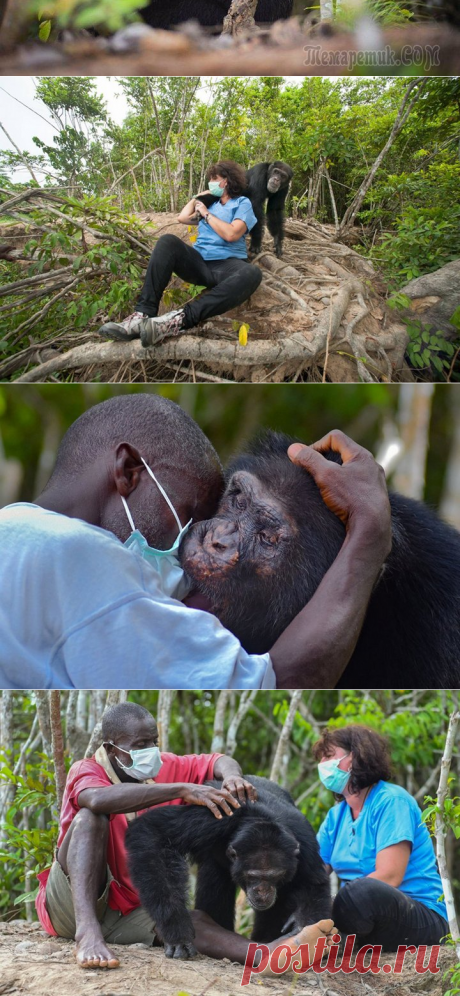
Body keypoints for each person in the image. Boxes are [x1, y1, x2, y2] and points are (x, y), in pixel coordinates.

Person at [0, 393, 392, 690]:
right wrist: (370, 532)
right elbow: (276, 683)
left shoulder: (14, 529)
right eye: (233, 503)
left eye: (267, 534)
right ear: (129, 471)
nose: (208, 537)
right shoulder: (86, 560)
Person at [36, 701, 335, 970]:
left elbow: (219, 760)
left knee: (194, 923)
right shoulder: (86, 769)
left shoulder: (167, 765)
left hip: (127, 909)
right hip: (72, 903)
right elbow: (97, 800)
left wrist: (231, 777)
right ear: (112, 748)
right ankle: (87, 933)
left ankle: (266, 954)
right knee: (90, 819)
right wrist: (180, 789)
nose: (150, 750)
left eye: (153, 741)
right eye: (140, 743)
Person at [314, 724, 448, 950]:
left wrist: (333, 905)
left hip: (420, 915)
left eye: (328, 756)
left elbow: (390, 876)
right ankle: (329, 943)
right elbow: (314, 873)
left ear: (355, 758)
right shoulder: (335, 816)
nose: (322, 766)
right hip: (363, 917)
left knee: (360, 892)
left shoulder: (392, 801)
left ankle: (334, 941)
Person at [98, 161, 262, 346]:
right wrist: (198, 198)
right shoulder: (210, 204)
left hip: (228, 265)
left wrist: (206, 214)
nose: (211, 183)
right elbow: (182, 218)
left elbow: (232, 233)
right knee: (167, 241)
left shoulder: (242, 203)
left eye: (214, 179)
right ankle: (141, 316)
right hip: (199, 263)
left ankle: (176, 321)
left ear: (226, 180)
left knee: (252, 273)